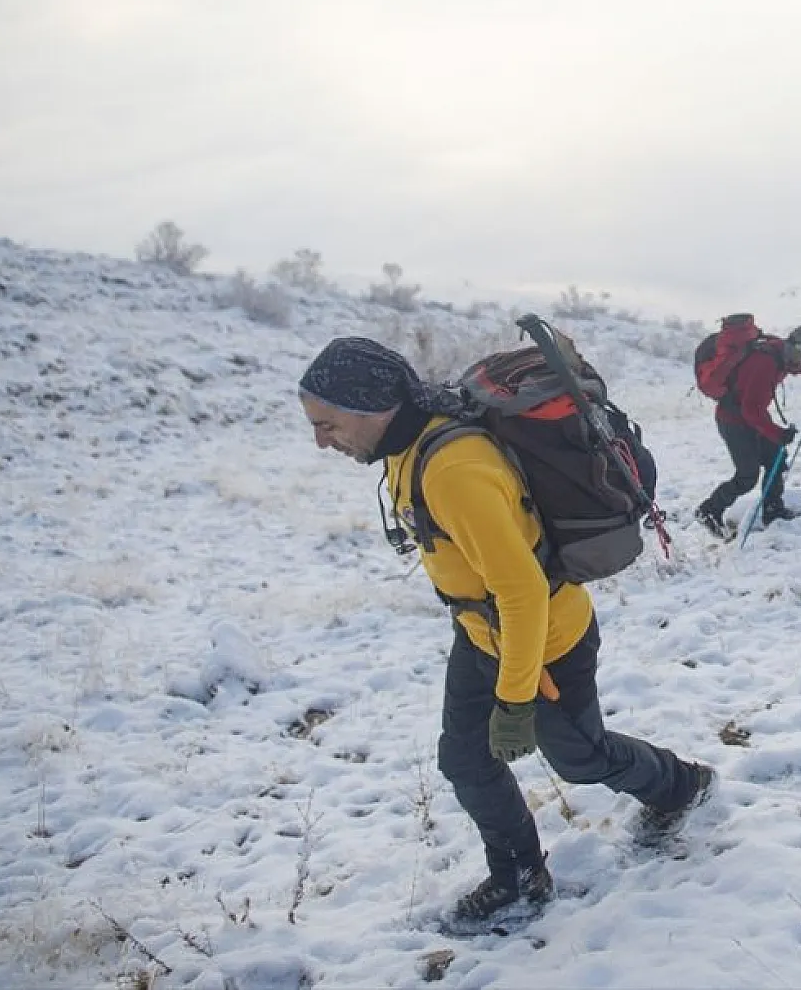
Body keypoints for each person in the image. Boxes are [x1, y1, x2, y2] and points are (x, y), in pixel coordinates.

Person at [299, 337, 715, 924]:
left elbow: (523, 594)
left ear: (372, 407)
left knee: (580, 759)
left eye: (327, 424)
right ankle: (518, 879)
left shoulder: (454, 471)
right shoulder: (404, 444)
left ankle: (681, 785)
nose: (321, 441)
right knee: (465, 759)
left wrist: (515, 702)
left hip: (546, 642)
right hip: (481, 633)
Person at [695, 325, 801, 538]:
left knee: (776, 458)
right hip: (733, 421)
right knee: (747, 476)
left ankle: (773, 511)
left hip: (750, 419)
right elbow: (750, 410)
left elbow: (797, 367)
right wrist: (778, 434)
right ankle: (708, 510)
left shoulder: (782, 354)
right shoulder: (764, 363)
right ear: (797, 348)